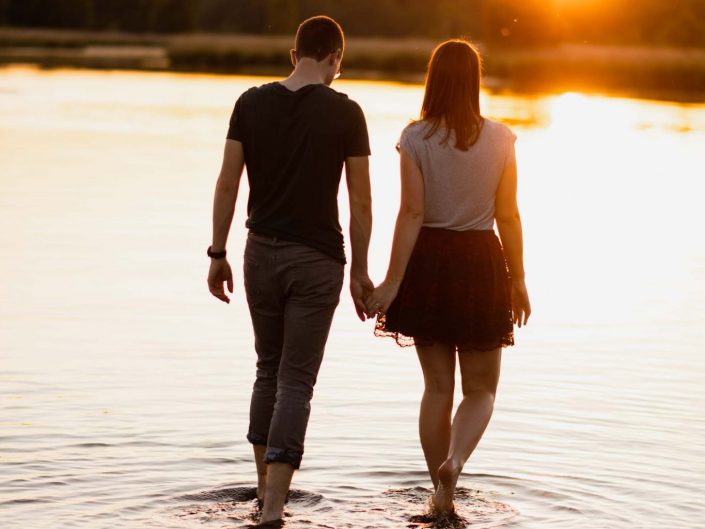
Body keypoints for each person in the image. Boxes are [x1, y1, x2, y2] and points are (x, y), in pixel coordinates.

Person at [206, 15, 373, 525]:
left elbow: (228, 186)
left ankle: (261, 490)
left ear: (292, 53)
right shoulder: (347, 113)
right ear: (334, 59)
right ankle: (275, 507)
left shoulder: (249, 103)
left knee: (267, 370)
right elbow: (361, 204)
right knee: (296, 381)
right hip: (317, 260)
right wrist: (360, 272)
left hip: (259, 255)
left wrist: (217, 254)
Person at [364, 39, 531, 514]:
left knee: (437, 388)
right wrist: (518, 280)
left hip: (429, 263)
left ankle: (440, 493)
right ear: (475, 82)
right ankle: (455, 463)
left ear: (433, 80)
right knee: (481, 390)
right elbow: (509, 216)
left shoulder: (415, 137)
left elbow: (412, 212)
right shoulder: (501, 138)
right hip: (480, 260)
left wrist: (392, 283)